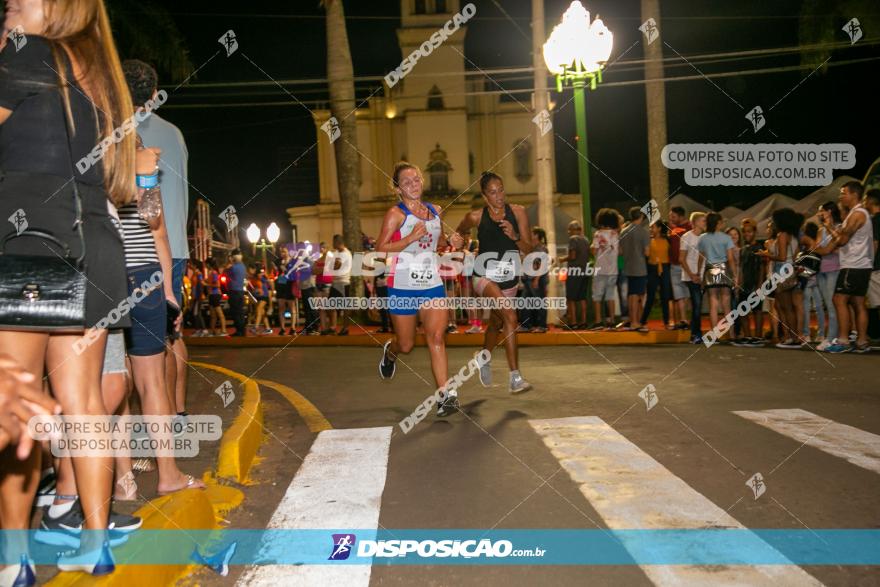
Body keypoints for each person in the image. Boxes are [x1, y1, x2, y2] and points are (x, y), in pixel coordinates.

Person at [0, 0, 140, 574]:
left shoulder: (23, 55)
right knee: (83, 407)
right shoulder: (100, 79)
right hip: (96, 243)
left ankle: (14, 558)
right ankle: (94, 545)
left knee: (19, 401)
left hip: (31, 237)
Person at [122, 59, 191, 437]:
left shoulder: (106, 132)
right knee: (168, 338)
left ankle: (146, 437)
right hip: (165, 251)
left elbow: (151, 218)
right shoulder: (172, 134)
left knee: (132, 358)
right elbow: (158, 220)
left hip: (130, 255)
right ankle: (175, 417)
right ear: (153, 94)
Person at [377, 162, 464, 417]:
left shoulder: (435, 211)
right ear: (398, 189)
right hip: (402, 284)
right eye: (406, 182)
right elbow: (381, 248)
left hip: (431, 284)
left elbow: (437, 243)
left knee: (436, 337)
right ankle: (390, 352)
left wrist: (453, 242)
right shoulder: (396, 214)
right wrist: (408, 239)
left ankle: (444, 396)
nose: (413, 184)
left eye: (416, 179)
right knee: (406, 345)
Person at [454, 172, 533, 394]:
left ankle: (483, 358)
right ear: (485, 195)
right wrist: (460, 244)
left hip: (508, 277)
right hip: (483, 275)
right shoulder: (476, 217)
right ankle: (515, 378)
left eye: (501, 190)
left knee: (497, 324)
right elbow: (460, 232)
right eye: (493, 192)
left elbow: (529, 249)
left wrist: (515, 236)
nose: (498, 196)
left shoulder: (518, 212)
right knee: (510, 316)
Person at [823, 181, 873, 353]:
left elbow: (842, 241)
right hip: (860, 265)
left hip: (854, 265)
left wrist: (836, 235)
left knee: (839, 299)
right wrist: (830, 227)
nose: (840, 196)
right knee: (858, 303)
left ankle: (844, 341)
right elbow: (841, 238)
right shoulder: (856, 214)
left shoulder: (857, 214)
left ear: (854, 194)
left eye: (843, 193)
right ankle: (861, 341)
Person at [759, 209, 803, 348]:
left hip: (782, 272)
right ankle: (790, 336)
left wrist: (765, 255)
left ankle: (792, 338)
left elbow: (782, 257)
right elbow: (794, 256)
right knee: (781, 306)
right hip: (790, 272)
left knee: (786, 307)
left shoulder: (782, 235)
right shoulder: (793, 235)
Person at [697, 213, 737, 342]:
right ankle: (731, 334)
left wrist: (699, 273)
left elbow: (700, 258)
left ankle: (714, 334)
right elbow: (730, 258)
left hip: (710, 269)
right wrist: (735, 275)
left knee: (713, 303)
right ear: (719, 223)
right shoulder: (726, 238)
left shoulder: (703, 238)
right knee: (726, 303)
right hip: (724, 268)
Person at [813, 202, 843, 350]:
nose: (819, 214)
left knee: (832, 306)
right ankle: (831, 337)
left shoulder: (839, 227)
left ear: (829, 211)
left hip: (835, 269)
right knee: (828, 305)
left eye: (821, 211)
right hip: (822, 270)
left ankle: (831, 338)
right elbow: (818, 248)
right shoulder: (820, 230)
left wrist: (828, 227)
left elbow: (832, 246)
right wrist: (827, 248)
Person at [618, 207, 651, 332]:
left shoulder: (623, 231)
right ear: (641, 217)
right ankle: (636, 322)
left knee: (631, 294)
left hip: (628, 266)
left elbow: (620, 251)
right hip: (640, 267)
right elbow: (647, 253)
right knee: (637, 295)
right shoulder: (643, 232)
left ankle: (632, 321)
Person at [736, 218, 767, 346]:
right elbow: (741, 269)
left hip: (756, 283)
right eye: (744, 232)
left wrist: (760, 285)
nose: (747, 234)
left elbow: (762, 267)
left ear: (754, 232)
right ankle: (748, 336)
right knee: (742, 310)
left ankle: (758, 336)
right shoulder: (743, 249)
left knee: (757, 310)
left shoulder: (759, 247)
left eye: (749, 231)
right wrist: (739, 284)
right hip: (744, 284)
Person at [589, 209, 620, 330]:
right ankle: (611, 321)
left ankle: (598, 322)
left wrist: (592, 246)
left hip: (600, 269)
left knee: (597, 296)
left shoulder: (598, 234)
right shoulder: (615, 234)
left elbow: (594, 250)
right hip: (613, 270)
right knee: (610, 296)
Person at [680, 212, 707, 343]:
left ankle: (695, 332)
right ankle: (695, 334)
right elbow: (681, 259)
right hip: (691, 276)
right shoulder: (686, 237)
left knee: (698, 305)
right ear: (695, 222)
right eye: (703, 221)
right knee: (697, 304)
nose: (705, 223)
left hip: (702, 276)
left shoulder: (704, 238)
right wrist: (692, 275)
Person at [558, 221, 590, 328]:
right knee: (582, 298)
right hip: (584, 271)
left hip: (574, 271)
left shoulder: (573, 239)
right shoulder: (586, 240)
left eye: (569, 230)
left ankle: (573, 322)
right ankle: (584, 321)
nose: (569, 232)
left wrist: (563, 259)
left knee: (570, 298)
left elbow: (572, 256)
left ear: (574, 229)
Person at [641, 222, 673, 329]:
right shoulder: (648, 240)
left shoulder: (667, 240)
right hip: (652, 268)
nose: (650, 229)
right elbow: (646, 255)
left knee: (665, 296)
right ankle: (643, 320)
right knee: (650, 296)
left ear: (659, 228)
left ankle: (666, 321)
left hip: (665, 268)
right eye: (650, 227)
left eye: (653, 227)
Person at [799, 222, 825, 343]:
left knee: (810, 307)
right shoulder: (811, 248)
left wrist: (804, 273)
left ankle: (810, 334)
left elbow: (815, 266)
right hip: (813, 281)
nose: (800, 236)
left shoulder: (814, 249)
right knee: (816, 307)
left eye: (802, 233)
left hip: (812, 281)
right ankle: (817, 334)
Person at [667, 206, 692, 330]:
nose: (671, 218)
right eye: (670, 216)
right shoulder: (672, 228)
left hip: (686, 266)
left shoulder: (690, 227)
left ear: (681, 216)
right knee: (679, 295)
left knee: (687, 294)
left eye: (673, 216)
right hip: (674, 265)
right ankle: (683, 320)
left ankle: (687, 319)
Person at [523, 227, 549, 333]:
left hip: (536, 279)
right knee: (525, 301)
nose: (530, 235)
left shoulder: (540, 248)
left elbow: (542, 265)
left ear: (537, 236)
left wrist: (536, 279)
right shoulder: (534, 248)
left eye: (532, 233)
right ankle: (526, 325)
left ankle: (542, 325)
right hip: (529, 279)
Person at [326, 234, 353, 335]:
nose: (332, 244)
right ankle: (333, 327)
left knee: (344, 307)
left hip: (343, 282)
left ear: (338, 242)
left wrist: (328, 266)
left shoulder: (345, 253)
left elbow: (336, 266)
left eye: (333, 242)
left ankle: (345, 328)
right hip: (336, 282)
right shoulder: (337, 252)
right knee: (330, 305)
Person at [865, 189, 880, 341]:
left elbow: (875, 243)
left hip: (877, 267)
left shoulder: (875, 220)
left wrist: (869, 262)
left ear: (871, 201)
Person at [725, 226, 744, 340]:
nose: (733, 236)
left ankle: (739, 331)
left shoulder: (742, 248)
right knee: (732, 306)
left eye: (735, 234)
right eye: (730, 235)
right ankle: (734, 332)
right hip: (730, 278)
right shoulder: (727, 250)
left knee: (741, 307)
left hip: (742, 278)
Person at [204, 258, 227, 336]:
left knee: (219, 314)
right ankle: (212, 331)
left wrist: (207, 284)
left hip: (215, 295)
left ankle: (224, 331)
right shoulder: (211, 272)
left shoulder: (214, 273)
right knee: (213, 315)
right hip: (211, 295)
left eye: (206, 264)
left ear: (209, 264)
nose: (205, 265)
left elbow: (218, 285)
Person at [227, 249, 247, 336]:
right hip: (240, 291)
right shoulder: (243, 266)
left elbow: (226, 272)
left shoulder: (233, 267)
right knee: (240, 311)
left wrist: (230, 262)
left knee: (235, 312)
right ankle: (242, 330)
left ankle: (239, 330)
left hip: (234, 291)